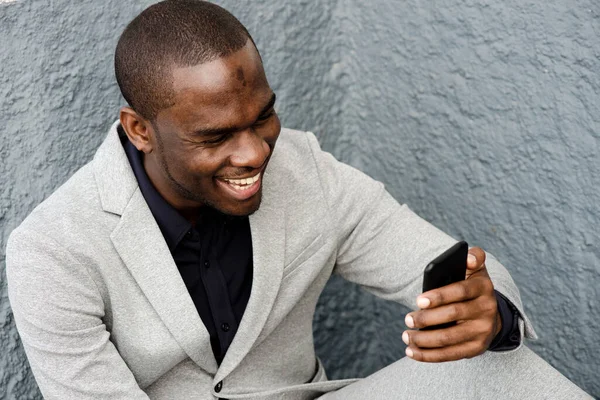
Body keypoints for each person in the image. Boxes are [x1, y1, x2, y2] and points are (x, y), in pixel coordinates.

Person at [5, 1, 590, 399]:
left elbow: (454, 265)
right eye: (214, 137)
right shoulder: (52, 248)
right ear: (139, 130)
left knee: (501, 366)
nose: (254, 153)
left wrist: (486, 315)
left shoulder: (305, 168)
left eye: (262, 118)